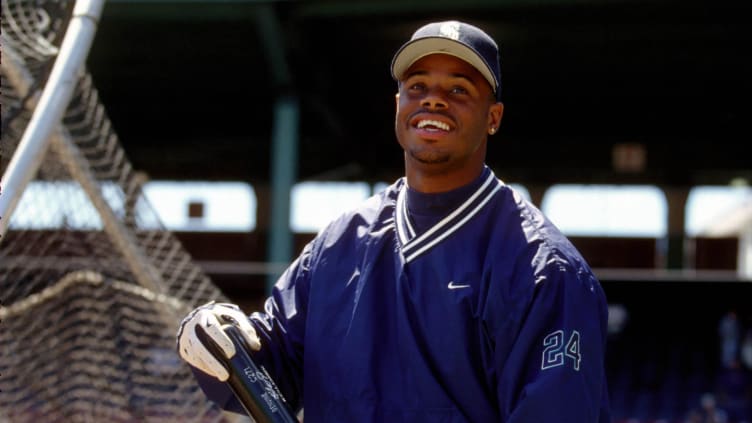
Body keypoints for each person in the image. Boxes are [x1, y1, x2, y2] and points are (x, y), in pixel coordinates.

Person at [177, 20, 611, 422]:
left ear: (493, 117)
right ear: (398, 105)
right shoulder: (338, 244)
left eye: (459, 89)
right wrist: (220, 343)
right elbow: (274, 372)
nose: (433, 99)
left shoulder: (543, 268)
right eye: (417, 85)